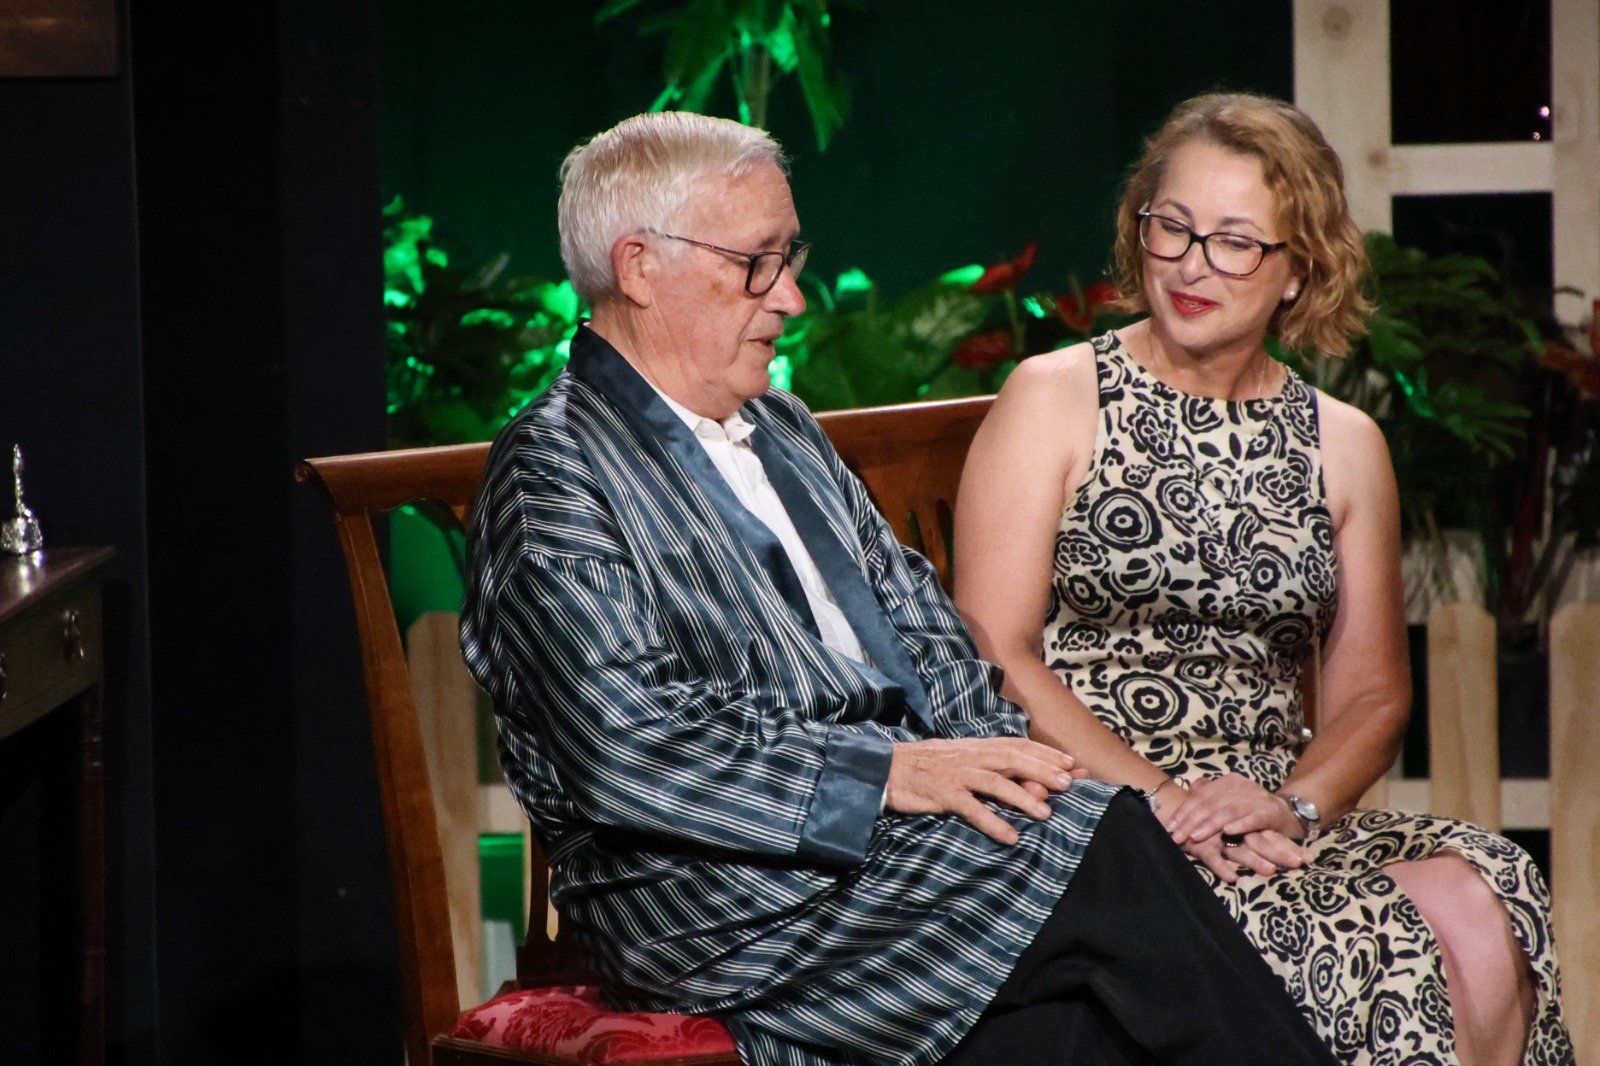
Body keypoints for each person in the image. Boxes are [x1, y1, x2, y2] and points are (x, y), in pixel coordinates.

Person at [461, 110, 1338, 1066]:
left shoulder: (784, 430)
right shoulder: (554, 468)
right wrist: (889, 775)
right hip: (715, 889)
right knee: (1112, 851)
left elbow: (928, 637)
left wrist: (1002, 771)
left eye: (789, 258)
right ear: (638, 266)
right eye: (757, 263)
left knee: (1076, 1032)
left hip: (893, 851)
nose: (791, 296)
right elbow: (627, 749)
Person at [954, 92, 1573, 1066]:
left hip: (1268, 812)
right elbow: (994, 651)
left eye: (1236, 242)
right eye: (1172, 227)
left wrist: (1291, 805)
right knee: (1378, 936)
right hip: (1095, 812)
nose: (1192, 264)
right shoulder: (1054, 399)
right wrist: (1163, 800)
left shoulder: (1343, 444)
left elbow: (1372, 697)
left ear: (1299, 269)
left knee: (1485, 889)